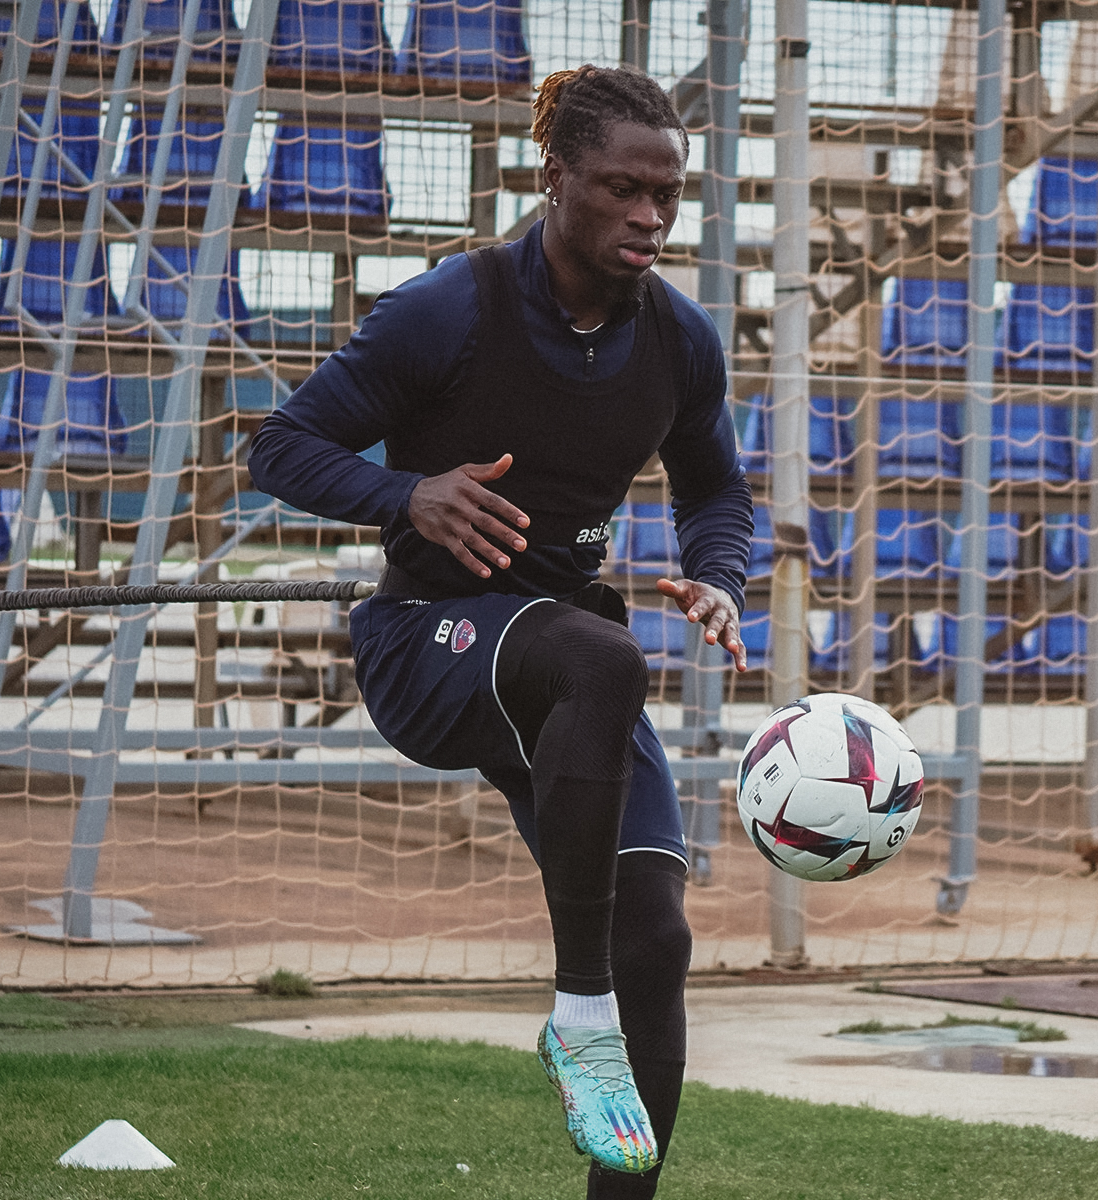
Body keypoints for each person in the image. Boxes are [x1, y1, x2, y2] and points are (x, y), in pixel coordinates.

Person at [247, 64, 754, 1198]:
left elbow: (716, 488)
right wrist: (407, 493)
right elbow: (277, 447)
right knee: (602, 654)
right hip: (424, 640)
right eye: (622, 189)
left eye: (667, 195)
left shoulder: (680, 340)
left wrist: (720, 576)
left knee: (658, 939)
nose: (649, 216)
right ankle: (579, 1016)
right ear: (554, 177)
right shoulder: (449, 308)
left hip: (569, 673)